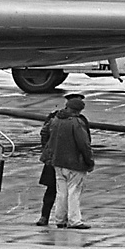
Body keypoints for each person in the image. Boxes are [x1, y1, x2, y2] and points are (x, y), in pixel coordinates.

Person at [47, 93, 94, 229]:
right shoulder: (77, 123)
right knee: (74, 192)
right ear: (78, 110)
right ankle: (75, 220)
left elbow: (47, 136)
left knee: (61, 192)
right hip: (74, 163)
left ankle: (60, 219)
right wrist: (89, 161)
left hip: (58, 162)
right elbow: (84, 144)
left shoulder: (56, 120)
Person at [36, 102, 61, 227]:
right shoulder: (76, 120)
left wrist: (46, 149)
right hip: (61, 160)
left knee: (51, 191)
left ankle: (44, 216)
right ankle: (61, 218)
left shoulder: (53, 118)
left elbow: (44, 134)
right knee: (67, 191)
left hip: (52, 159)